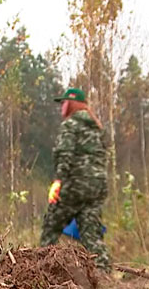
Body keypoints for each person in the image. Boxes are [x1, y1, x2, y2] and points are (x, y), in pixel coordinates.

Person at [39, 87, 111, 271]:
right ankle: (105, 276)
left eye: (63, 103)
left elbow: (65, 154)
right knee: (91, 234)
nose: (61, 107)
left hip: (75, 185)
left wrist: (58, 181)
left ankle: (43, 270)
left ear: (72, 104)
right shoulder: (98, 128)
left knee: (51, 227)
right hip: (97, 188)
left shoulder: (70, 126)